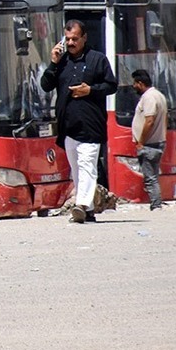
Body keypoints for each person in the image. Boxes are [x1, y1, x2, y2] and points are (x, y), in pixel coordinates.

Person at [41, 19, 118, 224]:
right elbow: (46, 85)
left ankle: (81, 204)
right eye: (68, 39)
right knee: (76, 168)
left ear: (84, 37)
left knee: (87, 165)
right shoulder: (62, 61)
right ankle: (89, 210)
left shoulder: (97, 59)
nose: (71, 42)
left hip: (91, 124)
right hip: (68, 125)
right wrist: (53, 62)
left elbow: (112, 85)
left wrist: (90, 90)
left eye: (75, 38)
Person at [130, 69, 167, 210]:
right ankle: (156, 203)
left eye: (135, 83)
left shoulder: (149, 97)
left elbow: (149, 121)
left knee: (150, 177)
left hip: (149, 144)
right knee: (154, 176)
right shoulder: (159, 95)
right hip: (157, 141)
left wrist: (141, 142)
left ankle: (156, 204)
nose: (133, 86)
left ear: (140, 83)